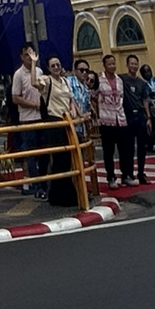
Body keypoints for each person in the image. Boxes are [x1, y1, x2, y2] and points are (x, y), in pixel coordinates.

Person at [41, 54, 85, 206]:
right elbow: (35, 83)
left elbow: (70, 99)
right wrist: (34, 64)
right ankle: (59, 196)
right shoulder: (47, 81)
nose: (56, 68)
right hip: (54, 120)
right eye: (53, 66)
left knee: (67, 158)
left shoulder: (65, 81)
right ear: (48, 68)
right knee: (59, 158)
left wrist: (76, 112)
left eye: (58, 65)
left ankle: (64, 195)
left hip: (66, 121)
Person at [11, 43, 48, 200]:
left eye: (32, 54)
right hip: (27, 118)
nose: (29, 57)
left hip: (41, 117)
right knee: (31, 153)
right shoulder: (18, 74)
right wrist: (34, 105)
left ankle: (44, 182)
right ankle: (37, 185)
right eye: (26, 54)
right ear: (22, 57)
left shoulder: (38, 71)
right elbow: (15, 97)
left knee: (44, 152)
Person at [93, 52, 133, 189]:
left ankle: (126, 175)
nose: (112, 66)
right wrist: (97, 114)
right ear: (104, 65)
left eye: (113, 64)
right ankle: (111, 177)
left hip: (120, 119)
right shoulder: (99, 80)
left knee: (124, 150)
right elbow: (93, 97)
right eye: (109, 64)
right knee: (109, 151)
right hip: (106, 120)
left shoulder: (119, 80)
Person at [122, 53, 153, 185]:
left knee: (142, 147)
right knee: (128, 147)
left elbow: (145, 99)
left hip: (140, 115)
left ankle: (141, 173)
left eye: (136, 64)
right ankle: (128, 174)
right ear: (127, 65)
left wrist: (148, 117)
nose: (134, 66)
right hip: (127, 115)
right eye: (132, 64)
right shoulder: (122, 79)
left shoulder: (141, 83)